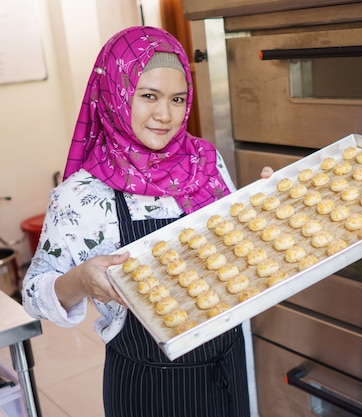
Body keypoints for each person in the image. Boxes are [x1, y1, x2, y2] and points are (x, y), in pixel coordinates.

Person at [21, 26, 272, 417]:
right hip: (152, 388)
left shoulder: (204, 161)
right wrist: (82, 279)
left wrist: (263, 208)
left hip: (229, 361)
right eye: (148, 96)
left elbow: (233, 247)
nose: (165, 115)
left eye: (177, 99)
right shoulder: (84, 194)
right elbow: (35, 292)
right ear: (115, 95)